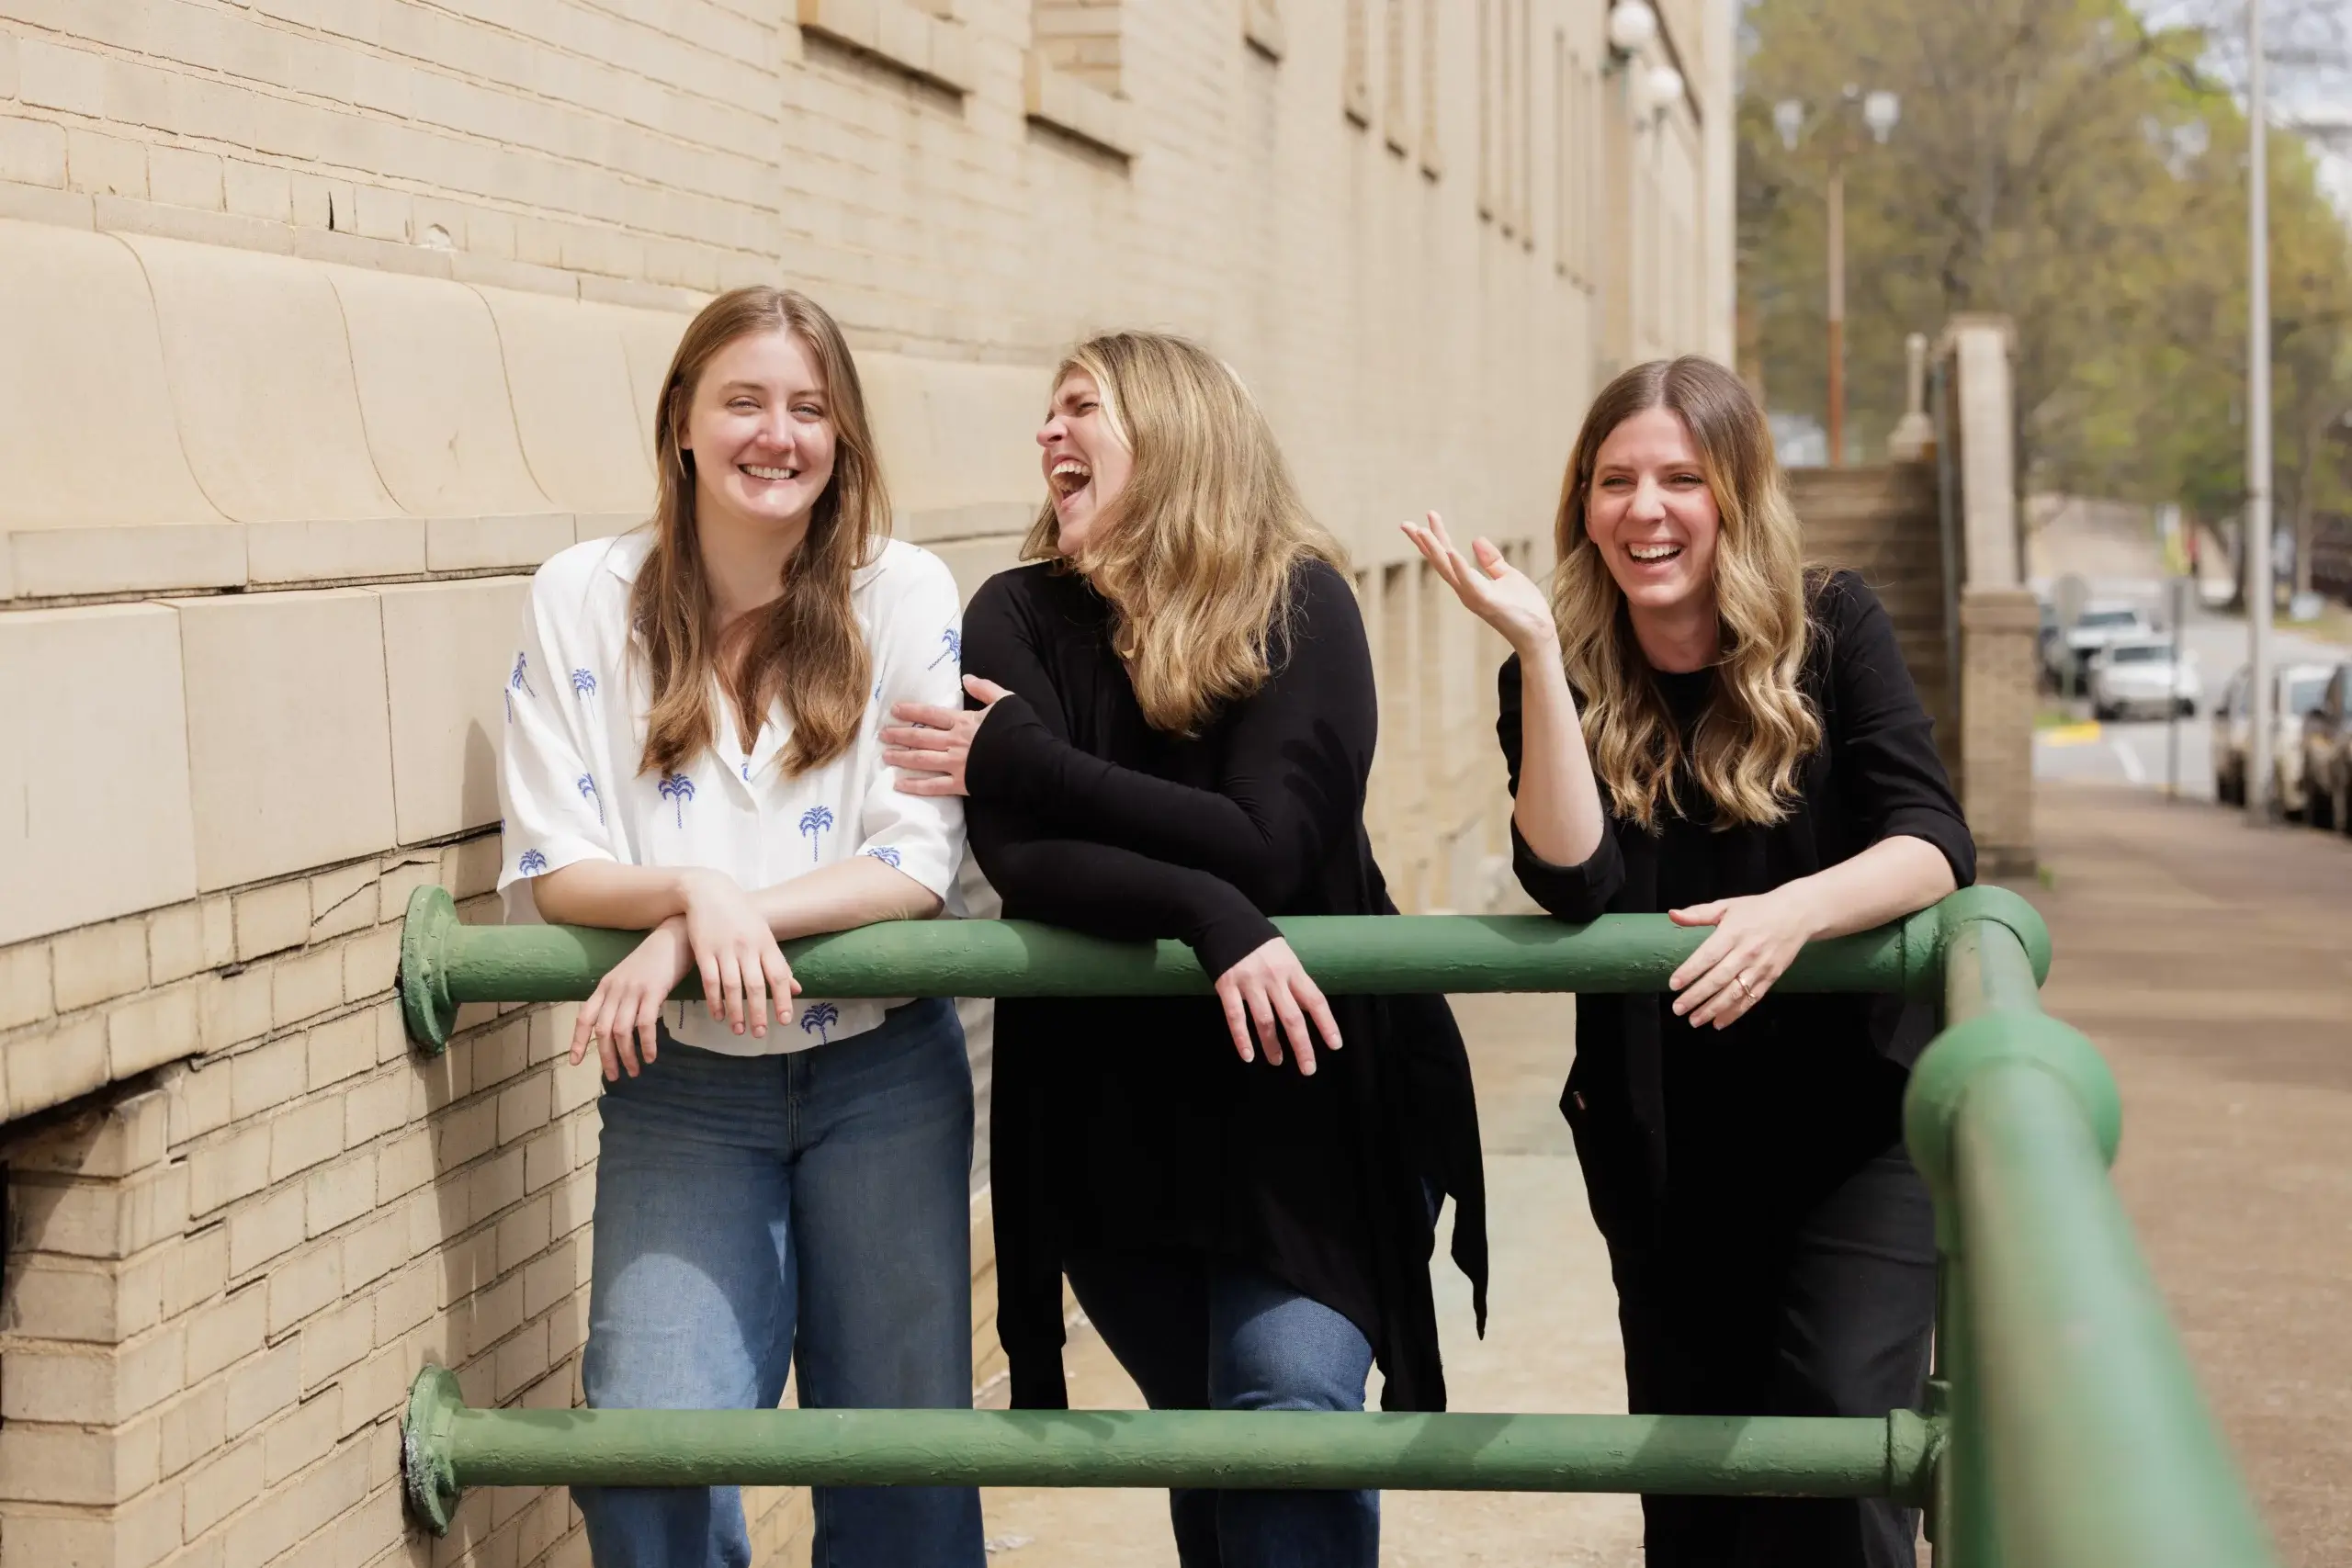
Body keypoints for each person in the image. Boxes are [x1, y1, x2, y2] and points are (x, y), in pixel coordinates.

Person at [881, 332, 1487, 1568]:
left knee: (1283, 1409)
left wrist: (1031, 760)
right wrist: (1208, 917)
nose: (1051, 434)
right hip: (1117, 1130)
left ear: (1175, 433)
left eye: (1081, 408)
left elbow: (1268, 842)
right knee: (1218, 1450)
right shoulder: (1014, 613)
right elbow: (1026, 860)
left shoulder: (1301, 603)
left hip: (1314, 1105)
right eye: (1046, 413)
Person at [1404, 355, 1974, 1568]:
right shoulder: (1553, 670)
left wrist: (1791, 913)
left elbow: (1935, 843)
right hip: (1662, 1132)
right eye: (1615, 480)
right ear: (1583, 501)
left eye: (1679, 477)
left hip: (1852, 1121)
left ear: (1735, 494)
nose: (1643, 509)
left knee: (1838, 1435)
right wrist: (1542, 656)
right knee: (1697, 1480)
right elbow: (1574, 882)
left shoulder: (1836, 627)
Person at [496, 285, 984, 1568]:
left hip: (885, 1078)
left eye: (810, 408)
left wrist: (693, 930)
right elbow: (558, 859)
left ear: (844, 438)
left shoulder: (905, 593)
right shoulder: (582, 596)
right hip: (683, 1094)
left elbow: (914, 862)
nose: (779, 435)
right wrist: (688, 899)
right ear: (683, 425)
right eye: (746, 401)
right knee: (647, 1459)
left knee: (903, 1471)